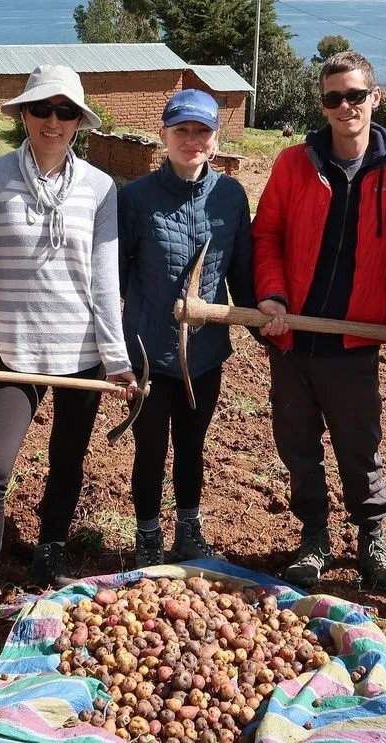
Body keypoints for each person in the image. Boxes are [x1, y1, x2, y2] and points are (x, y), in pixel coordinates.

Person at [0, 66, 136, 641]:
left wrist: (117, 357)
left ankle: (48, 555)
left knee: (67, 462)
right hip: (16, 353)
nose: (54, 122)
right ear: (23, 113)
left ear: (80, 121)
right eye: (42, 110)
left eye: (66, 112)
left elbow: (104, 281)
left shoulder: (101, 189)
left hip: (82, 356)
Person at [251, 51, 386, 590]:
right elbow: (267, 237)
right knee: (297, 444)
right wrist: (273, 297)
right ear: (323, 104)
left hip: (356, 341)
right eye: (333, 98)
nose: (344, 106)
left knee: (359, 443)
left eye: (354, 95)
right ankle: (314, 537)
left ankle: (372, 537)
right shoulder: (292, 163)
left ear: (376, 97)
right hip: (293, 338)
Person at [118, 90, 280, 568]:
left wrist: (266, 326)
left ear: (215, 138)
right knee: (150, 449)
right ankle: (147, 535)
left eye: (202, 131)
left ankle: (189, 530)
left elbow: (241, 273)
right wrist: (119, 343)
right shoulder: (135, 197)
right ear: (164, 135)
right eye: (181, 130)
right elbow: (116, 275)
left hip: (206, 352)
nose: (192, 140)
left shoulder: (230, 196)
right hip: (147, 352)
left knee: (192, 445)